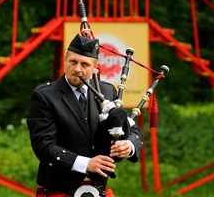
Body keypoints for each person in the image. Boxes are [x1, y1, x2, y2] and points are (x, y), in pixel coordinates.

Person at [27, 34, 144, 197]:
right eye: (73, 62)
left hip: (99, 189)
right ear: (65, 60)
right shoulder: (45, 96)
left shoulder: (107, 91)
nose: (77, 69)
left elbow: (133, 129)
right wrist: (86, 163)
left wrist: (129, 146)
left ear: (95, 67)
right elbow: (44, 146)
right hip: (59, 190)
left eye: (85, 64)